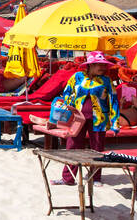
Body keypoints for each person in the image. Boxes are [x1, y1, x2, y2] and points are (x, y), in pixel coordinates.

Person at [49, 51, 120, 185]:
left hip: (99, 118)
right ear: (90, 65)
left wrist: (115, 121)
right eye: (99, 65)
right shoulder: (77, 77)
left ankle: (95, 177)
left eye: (104, 65)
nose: (103, 68)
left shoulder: (106, 81)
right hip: (77, 117)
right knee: (73, 146)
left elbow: (114, 101)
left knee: (97, 147)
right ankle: (68, 178)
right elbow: (67, 92)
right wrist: (68, 105)